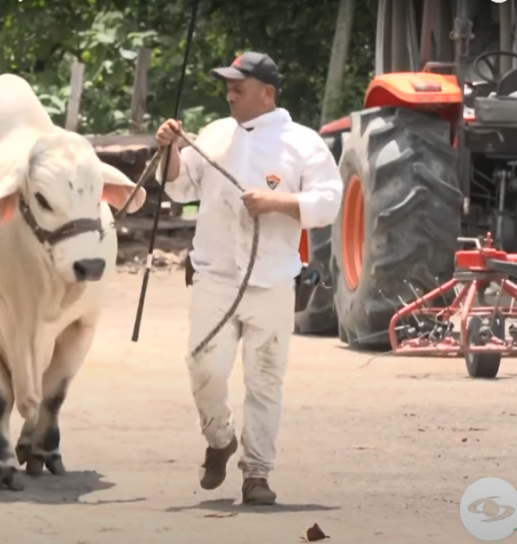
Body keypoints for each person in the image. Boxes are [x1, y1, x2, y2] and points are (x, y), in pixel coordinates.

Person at [155, 51, 343, 504]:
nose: (229, 94)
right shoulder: (216, 135)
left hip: (274, 279)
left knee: (264, 382)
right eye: (228, 86)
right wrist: (169, 149)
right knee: (204, 368)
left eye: (238, 87)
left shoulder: (303, 142)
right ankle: (220, 439)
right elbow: (178, 188)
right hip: (214, 277)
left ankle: (257, 474)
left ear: (267, 93)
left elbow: (330, 201)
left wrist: (278, 204)